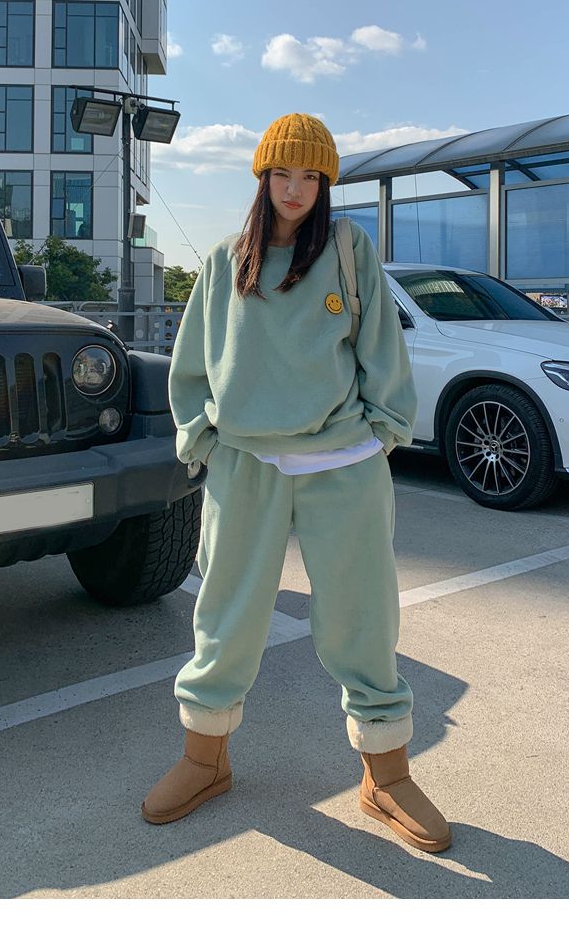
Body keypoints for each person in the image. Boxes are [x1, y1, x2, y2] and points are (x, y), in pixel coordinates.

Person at [142, 113, 451, 854]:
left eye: (310, 176)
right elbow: (192, 360)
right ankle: (204, 760)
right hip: (246, 462)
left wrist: (382, 432)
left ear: (325, 183)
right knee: (225, 613)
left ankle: (386, 774)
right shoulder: (226, 258)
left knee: (362, 618)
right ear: (262, 177)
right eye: (282, 173)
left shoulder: (347, 249)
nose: (294, 188)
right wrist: (202, 437)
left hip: (342, 464)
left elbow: (382, 348)